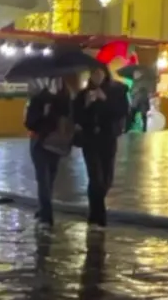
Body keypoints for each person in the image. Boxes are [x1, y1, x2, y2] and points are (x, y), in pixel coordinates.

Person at [74, 66, 126, 227]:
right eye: (93, 73)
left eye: (99, 73)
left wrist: (105, 100)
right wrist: (87, 104)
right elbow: (76, 116)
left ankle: (96, 213)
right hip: (90, 140)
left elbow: (122, 112)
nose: (97, 76)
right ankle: (96, 216)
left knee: (107, 179)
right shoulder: (83, 94)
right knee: (95, 177)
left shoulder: (116, 92)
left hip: (108, 138)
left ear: (105, 74)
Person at [24, 77, 74, 228]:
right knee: (44, 179)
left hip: (55, 144)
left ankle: (43, 210)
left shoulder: (66, 99)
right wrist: (43, 114)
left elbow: (69, 120)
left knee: (49, 179)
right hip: (40, 143)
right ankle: (46, 216)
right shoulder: (39, 99)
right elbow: (29, 122)